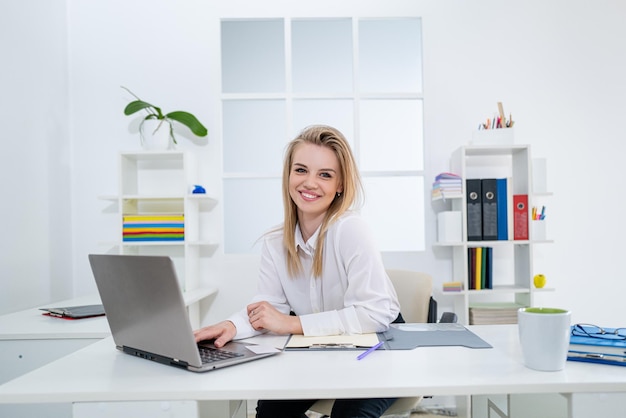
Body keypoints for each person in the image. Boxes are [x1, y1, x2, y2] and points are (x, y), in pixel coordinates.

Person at [194, 125, 401, 418]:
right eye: (301, 170)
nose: (310, 183)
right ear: (289, 175)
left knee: (349, 415)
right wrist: (231, 325)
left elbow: (376, 313)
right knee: (270, 413)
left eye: (325, 174)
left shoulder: (351, 229)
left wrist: (292, 324)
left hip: (374, 347)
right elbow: (270, 308)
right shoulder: (275, 242)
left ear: (340, 185)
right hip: (320, 349)